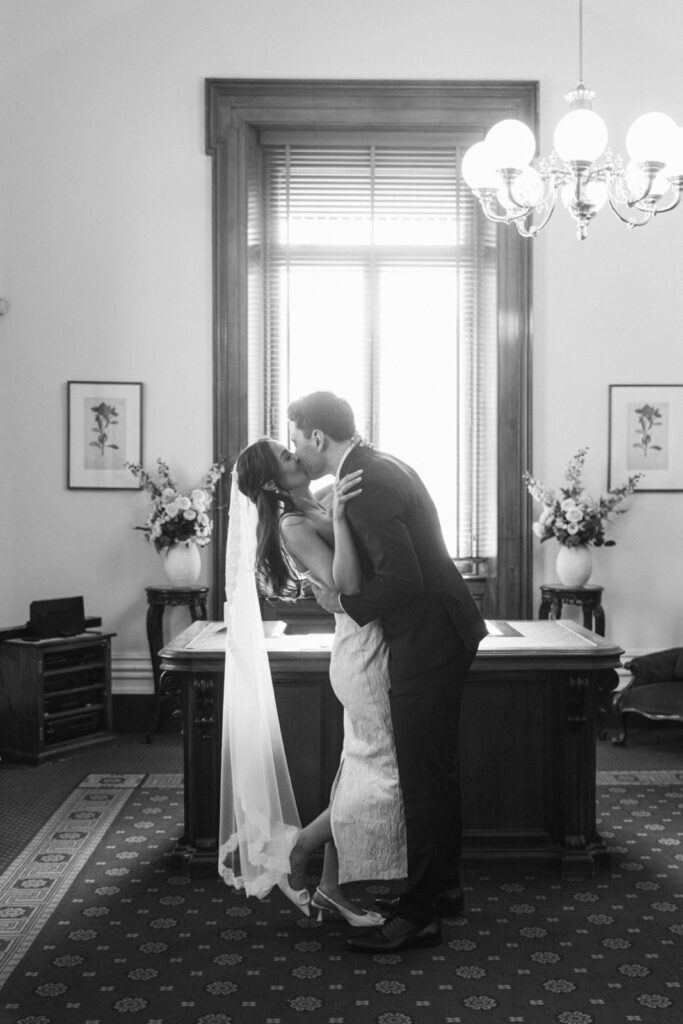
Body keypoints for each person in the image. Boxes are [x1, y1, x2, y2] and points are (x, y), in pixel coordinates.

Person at [287, 391, 488, 953]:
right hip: (444, 630)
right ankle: (443, 888)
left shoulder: (366, 483)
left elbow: (404, 582)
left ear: (317, 438)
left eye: (296, 438)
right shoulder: (377, 465)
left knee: (421, 781)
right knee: (437, 772)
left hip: (428, 641)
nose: (296, 449)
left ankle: (420, 915)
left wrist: (341, 605)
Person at [229, 436, 407, 926]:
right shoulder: (292, 523)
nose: (296, 455)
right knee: (379, 773)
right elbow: (346, 584)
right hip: (360, 647)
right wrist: (345, 519)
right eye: (286, 457)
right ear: (271, 481)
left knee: (359, 770)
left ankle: (331, 888)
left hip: (374, 640)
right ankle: (300, 847)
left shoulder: (315, 500)